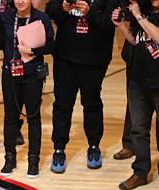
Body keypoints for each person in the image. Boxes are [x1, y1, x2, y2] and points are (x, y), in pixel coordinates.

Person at [46, 0, 116, 173]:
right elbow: (50, 10)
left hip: (95, 60)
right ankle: (59, 148)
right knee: (62, 104)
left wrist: (90, 12)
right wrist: (63, 8)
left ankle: (94, 146)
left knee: (91, 103)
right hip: (65, 58)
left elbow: (110, 22)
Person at [112, 0, 159, 190]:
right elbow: (135, 40)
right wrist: (121, 26)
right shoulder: (142, 11)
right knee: (138, 129)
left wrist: (138, 15)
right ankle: (140, 172)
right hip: (138, 81)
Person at [0, 0, 54, 178]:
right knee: (10, 117)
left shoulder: (41, 18)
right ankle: (10, 157)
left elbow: (51, 45)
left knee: (33, 117)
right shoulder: (6, 18)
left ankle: (33, 160)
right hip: (10, 74)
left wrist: (33, 51)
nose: (20, 1)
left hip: (32, 75)